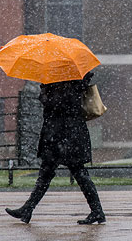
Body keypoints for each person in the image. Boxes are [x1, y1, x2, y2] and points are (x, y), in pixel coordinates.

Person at [6, 71, 105, 225]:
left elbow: (57, 105)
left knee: (74, 173)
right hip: (64, 133)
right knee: (55, 172)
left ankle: (97, 211)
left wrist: (46, 91)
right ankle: (28, 209)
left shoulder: (69, 81)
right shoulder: (70, 80)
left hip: (64, 135)